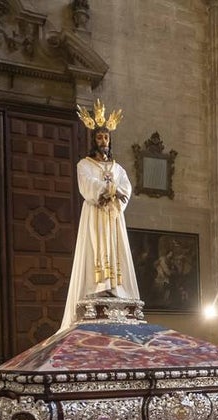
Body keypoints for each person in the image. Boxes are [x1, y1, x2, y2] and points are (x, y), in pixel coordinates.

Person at [59, 99, 139, 332]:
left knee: (115, 247)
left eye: (106, 137)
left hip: (113, 215)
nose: (103, 141)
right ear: (93, 140)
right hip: (95, 212)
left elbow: (126, 187)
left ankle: (116, 287)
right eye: (99, 137)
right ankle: (98, 285)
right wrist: (105, 190)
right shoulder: (84, 164)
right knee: (96, 246)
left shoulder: (117, 167)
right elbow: (87, 185)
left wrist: (116, 192)